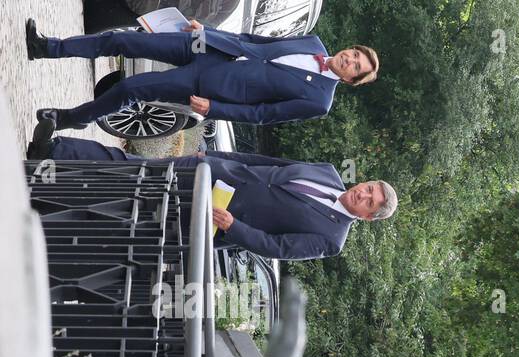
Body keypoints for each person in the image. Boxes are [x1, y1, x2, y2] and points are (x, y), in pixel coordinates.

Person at [30, 133, 397, 261]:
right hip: (213, 172)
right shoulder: (329, 171)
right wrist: (218, 157)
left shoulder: (332, 239)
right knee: (134, 168)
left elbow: (278, 247)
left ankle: (47, 202)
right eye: (368, 187)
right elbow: (266, 162)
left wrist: (235, 227)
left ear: (367, 216)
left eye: (368, 200)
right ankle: (55, 151)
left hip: (212, 218)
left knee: (131, 210)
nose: (362, 192)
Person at [26, 17, 378, 130]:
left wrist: (215, 109)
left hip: (211, 85)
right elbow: (253, 39)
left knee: (131, 88)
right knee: (124, 40)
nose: (350, 59)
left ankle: (70, 118)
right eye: (355, 53)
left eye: (356, 67)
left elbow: (263, 114)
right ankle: (48, 48)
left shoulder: (319, 100)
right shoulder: (313, 40)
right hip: (209, 47)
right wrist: (207, 29)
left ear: (350, 80)